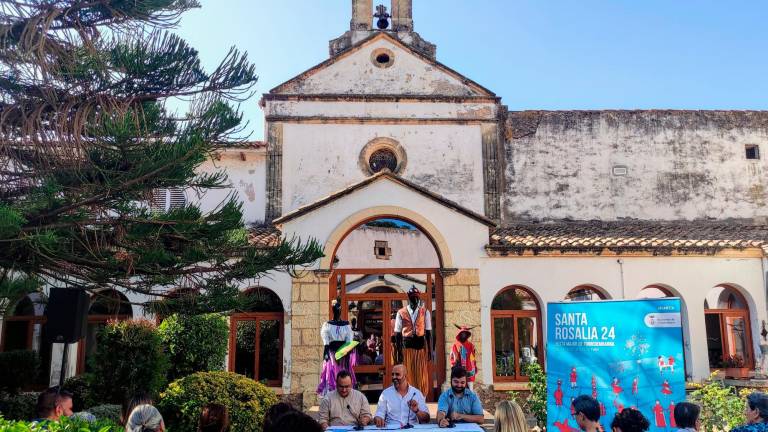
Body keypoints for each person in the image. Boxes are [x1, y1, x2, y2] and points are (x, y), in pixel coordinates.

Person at [393, 286, 433, 397]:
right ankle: (406, 397)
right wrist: (399, 351)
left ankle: (421, 398)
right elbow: (397, 333)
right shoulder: (401, 312)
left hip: (420, 347)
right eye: (412, 297)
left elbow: (428, 332)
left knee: (421, 374)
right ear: (408, 298)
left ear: (419, 298)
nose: (415, 299)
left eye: (416, 297)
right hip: (407, 347)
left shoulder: (425, 312)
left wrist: (430, 350)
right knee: (408, 374)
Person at [317, 298, 357, 396]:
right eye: (335, 309)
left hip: (343, 353)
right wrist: (326, 354)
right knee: (331, 372)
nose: (338, 311)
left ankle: (345, 393)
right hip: (332, 353)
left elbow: (349, 341)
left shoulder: (346, 325)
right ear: (333, 310)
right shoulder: (327, 325)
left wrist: (347, 353)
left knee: (344, 373)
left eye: (339, 309)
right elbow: (326, 341)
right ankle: (332, 395)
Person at [450, 325, 478, 390]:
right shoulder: (455, 345)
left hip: (469, 370)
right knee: (459, 388)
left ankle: (470, 399)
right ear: (459, 334)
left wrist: (474, 366)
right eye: (462, 333)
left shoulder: (471, 345)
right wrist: (454, 367)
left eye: (465, 333)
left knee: (470, 389)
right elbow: (453, 357)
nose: (463, 335)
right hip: (459, 369)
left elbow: (473, 358)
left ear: (467, 335)